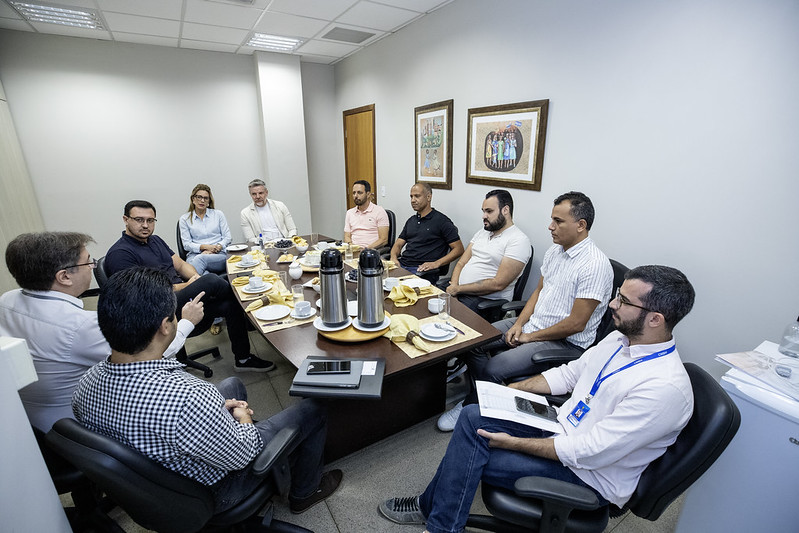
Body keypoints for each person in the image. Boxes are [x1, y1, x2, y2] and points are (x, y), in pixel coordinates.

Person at [380, 265, 696, 533]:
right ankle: (432, 510)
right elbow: (571, 374)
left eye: (624, 300)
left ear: (655, 319)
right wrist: (513, 391)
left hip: (588, 475)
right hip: (561, 426)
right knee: (472, 415)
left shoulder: (664, 389)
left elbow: (590, 452)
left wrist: (512, 442)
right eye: (617, 294)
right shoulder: (620, 338)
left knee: (475, 451)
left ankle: (437, 521)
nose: (612, 305)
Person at [72, 267, 342, 514]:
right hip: (213, 491)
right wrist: (245, 421)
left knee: (232, 386)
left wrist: (212, 414)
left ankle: (281, 458)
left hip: (155, 483)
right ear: (166, 326)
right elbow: (243, 453)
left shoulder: (85, 384)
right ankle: (305, 492)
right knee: (314, 408)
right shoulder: (190, 396)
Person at [438, 191, 612, 431]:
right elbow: (538, 292)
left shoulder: (594, 265)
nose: (550, 227)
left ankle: (472, 406)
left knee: (494, 367)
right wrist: (519, 324)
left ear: (581, 225)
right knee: (474, 339)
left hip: (564, 342)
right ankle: (485, 395)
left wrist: (529, 337)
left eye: (558, 221)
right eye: (552, 219)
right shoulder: (555, 252)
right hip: (532, 326)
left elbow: (576, 324)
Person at [0, 232, 202, 432]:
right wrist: (187, 322)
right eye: (88, 263)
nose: (92, 267)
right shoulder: (80, 326)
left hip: (27, 417)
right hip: (86, 421)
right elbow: (153, 353)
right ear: (64, 276)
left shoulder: (7, 299)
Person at [105, 200, 274, 372]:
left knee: (230, 304)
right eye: (139, 220)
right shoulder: (120, 254)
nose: (146, 225)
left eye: (150, 220)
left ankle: (243, 358)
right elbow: (144, 293)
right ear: (126, 219)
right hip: (159, 308)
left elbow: (180, 265)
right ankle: (257, 306)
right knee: (213, 280)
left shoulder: (155, 241)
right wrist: (190, 285)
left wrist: (195, 279)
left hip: (182, 297)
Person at [441, 189, 531, 313]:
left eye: (489, 211)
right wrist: (454, 287)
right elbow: (461, 263)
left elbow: (498, 284)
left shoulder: (518, 240)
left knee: (441, 318)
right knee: (427, 299)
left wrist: (458, 289)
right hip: (459, 291)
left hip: (484, 301)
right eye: (483, 211)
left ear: (505, 210)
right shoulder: (482, 232)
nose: (484, 216)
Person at [389, 183, 464, 284]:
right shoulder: (411, 220)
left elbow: (459, 249)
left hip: (422, 271)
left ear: (429, 197)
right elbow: (398, 244)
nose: (413, 200)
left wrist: (436, 263)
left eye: (417, 196)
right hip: (403, 265)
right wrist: (393, 258)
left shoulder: (442, 221)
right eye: (411, 196)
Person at [179, 183, 231, 275]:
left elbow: (227, 238)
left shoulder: (218, 214)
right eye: (199, 197)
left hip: (218, 255)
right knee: (205, 274)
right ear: (193, 199)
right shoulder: (184, 219)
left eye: (205, 198)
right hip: (194, 255)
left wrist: (216, 247)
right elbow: (186, 244)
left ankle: (188, 287)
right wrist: (204, 247)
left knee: (199, 260)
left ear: (208, 202)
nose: (202, 200)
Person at [240, 179, 297, 243]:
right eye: (254, 194)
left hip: (284, 243)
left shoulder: (280, 206)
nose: (258, 196)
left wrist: (289, 241)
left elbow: (292, 229)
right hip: (263, 246)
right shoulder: (245, 213)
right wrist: (266, 244)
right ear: (250, 194)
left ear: (266, 192)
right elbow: (250, 238)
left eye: (261, 193)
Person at [343, 180, 390, 249]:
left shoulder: (379, 211)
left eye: (359, 193)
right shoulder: (350, 213)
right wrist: (351, 246)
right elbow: (347, 236)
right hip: (353, 250)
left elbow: (384, 240)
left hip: (370, 251)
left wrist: (365, 249)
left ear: (368, 194)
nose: (355, 196)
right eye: (354, 193)